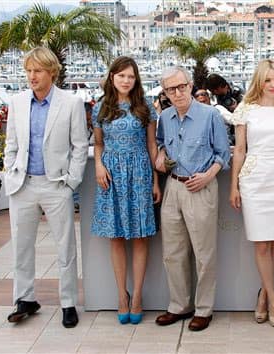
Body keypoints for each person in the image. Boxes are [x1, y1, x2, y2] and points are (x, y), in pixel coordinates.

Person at [4, 47, 88, 328]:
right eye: (28, 70)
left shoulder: (71, 103)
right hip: (22, 185)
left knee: (65, 247)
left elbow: (79, 147)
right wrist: (10, 172)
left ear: (52, 72)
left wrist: (71, 183)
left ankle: (68, 303)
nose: (32, 76)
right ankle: (24, 298)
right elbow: (11, 144)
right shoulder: (16, 102)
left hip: (56, 185)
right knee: (21, 246)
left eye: (37, 70)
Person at [154, 66, 230, 332]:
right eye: (171, 89)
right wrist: (161, 155)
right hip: (173, 187)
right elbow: (161, 142)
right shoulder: (165, 117)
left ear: (190, 85)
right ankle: (179, 305)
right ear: (165, 92)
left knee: (203, 253)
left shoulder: (210, 115)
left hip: (201, 188)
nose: (178, 93)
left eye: (182, 86)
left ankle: (203, 309)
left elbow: (224, 154)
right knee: (173, 253)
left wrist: (209, 176)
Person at [229, 59, 274, 328]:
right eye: (268, 79)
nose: (273, 85)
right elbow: (239, 150)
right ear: (259, 81)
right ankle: (272, 298)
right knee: (261, 242)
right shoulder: (245, 110)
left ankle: (264, 295)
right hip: (253, 177)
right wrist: (234, 185)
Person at [91, 56, 161, 325]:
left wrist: (155, 180)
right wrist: (98, 165)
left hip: (140, 173)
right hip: (111, 174)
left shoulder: (145, 108)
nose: (126, 80)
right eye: (121, 76)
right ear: (112, 78)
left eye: (131, 76)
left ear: (136, 79)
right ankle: (121, 295)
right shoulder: (101, 108)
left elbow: (152, 147)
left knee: (141, 237)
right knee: (117, 237)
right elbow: (98, 143)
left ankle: (138, 296)